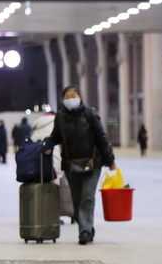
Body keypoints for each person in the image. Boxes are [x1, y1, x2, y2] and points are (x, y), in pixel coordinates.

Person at [46, 86, 116, 245]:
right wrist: (46, 146)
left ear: (81, 97)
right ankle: (87, 227)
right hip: (71, 165)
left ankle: (84, 231)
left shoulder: (90, 114)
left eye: (74, 95)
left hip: (92, 164)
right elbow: (55, 137)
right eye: (68, 96)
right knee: (77, 200)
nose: (71, 98)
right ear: (63, 100)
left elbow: (102, 138)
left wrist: (110, 161)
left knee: (87, 197)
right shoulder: (61, 117)